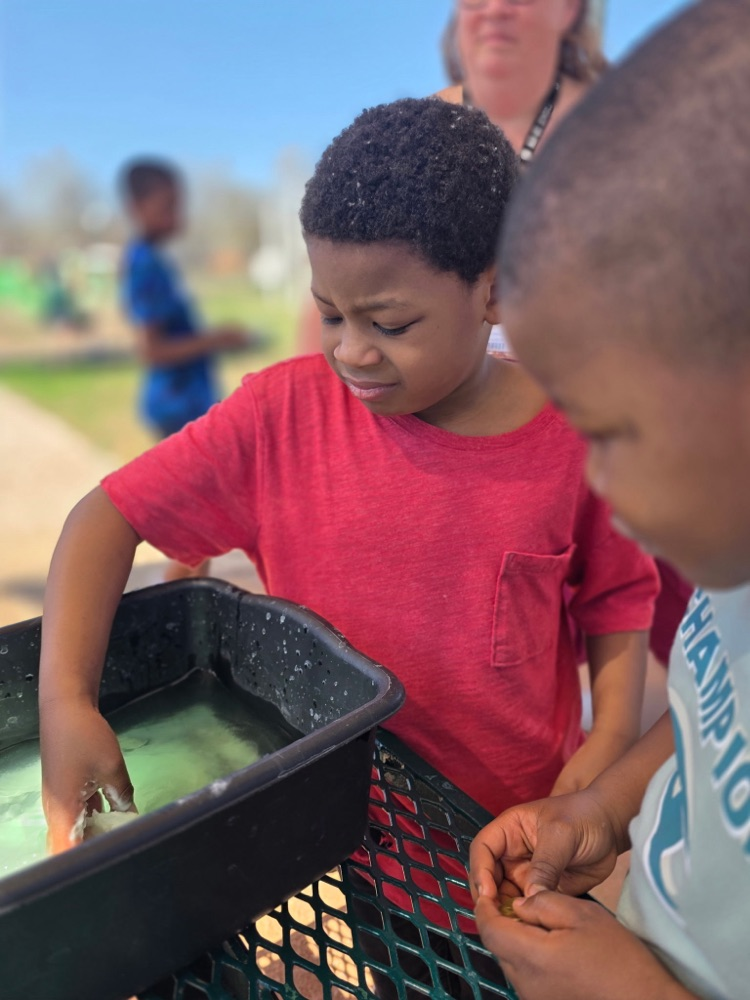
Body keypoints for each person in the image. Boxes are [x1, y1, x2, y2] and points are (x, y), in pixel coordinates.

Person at [40, 99, 657, 858]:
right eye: (331, 314)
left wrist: (615, 737)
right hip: (341, 826)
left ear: (494, 291)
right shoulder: (279, 418)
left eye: (390, 325)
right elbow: (105, 516)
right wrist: (67, 705)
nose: (353, 353)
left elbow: (618, 596)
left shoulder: (574, 434)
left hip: (513, 829)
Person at [469, 3, 750, 998]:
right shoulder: (734, 572)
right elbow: (718, 730)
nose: (589, 479)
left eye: (609, 430)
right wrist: (607, 806)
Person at [119, 159, 251, 580]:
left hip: (187, 397)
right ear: (137, 206)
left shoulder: (155, 260)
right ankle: (183, 611)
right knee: (199, 518)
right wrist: (216, 340)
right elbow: (152, 350)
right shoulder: (143, 264)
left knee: (202, 516)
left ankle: (187, 600)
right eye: (168, 205)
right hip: (176, 402)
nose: (178, 216)